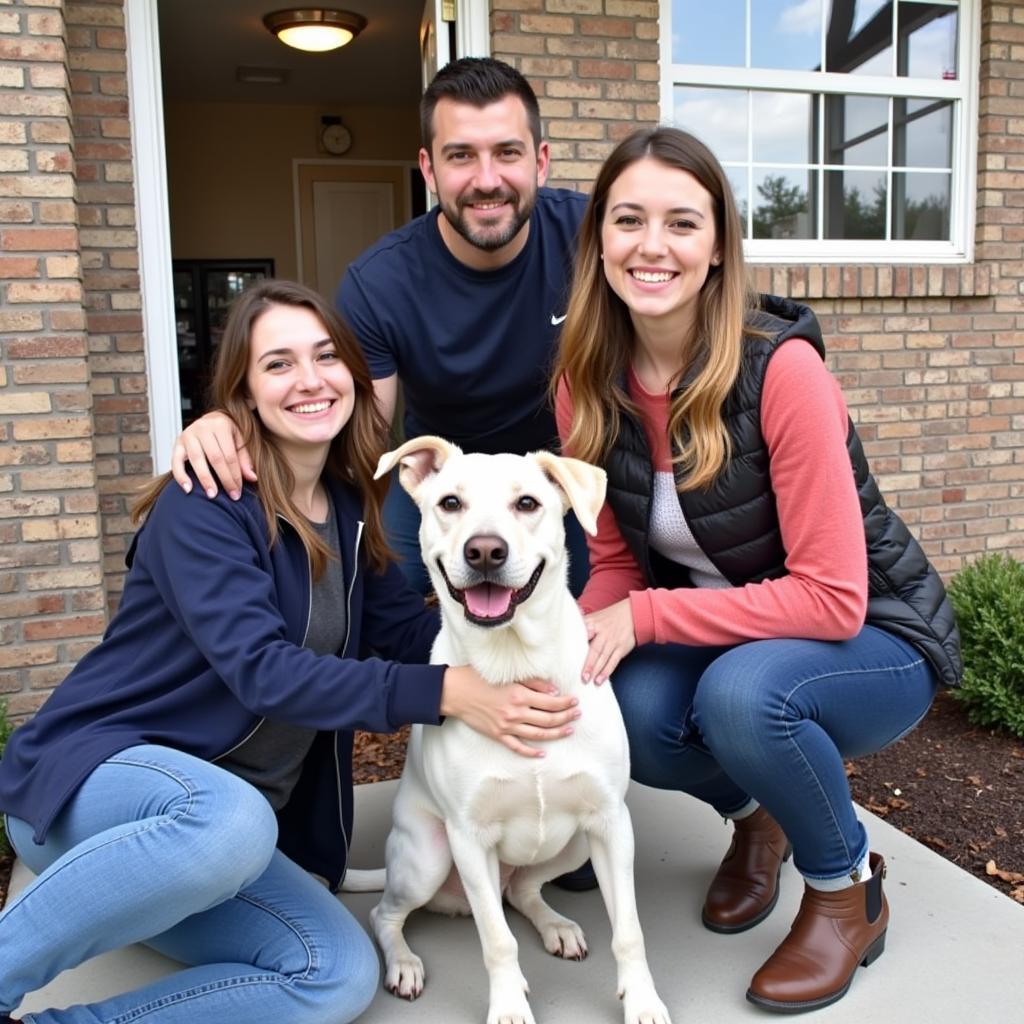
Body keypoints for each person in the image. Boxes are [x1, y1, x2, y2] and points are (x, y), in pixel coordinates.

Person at [0, 280, 580, 1024]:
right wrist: (446, 692)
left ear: (354, 375)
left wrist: (549, 638)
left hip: (225, 836)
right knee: (233, 820)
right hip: (96, 789)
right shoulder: (204, 502)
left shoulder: (346, 509)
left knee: (333, 975)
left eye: (327, 356)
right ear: (241, 390)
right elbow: (262, 671)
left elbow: (411, 634)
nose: (310, 379)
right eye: (277, 364)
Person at [551, 127, 962, 1014]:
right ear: (597, 243)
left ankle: (847, 888)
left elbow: (831, 595)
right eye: (628, 220)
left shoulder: (785, 370)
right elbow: (617, 557)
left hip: (873, 637)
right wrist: (576, 649)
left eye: (681, 223)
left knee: (741, 698)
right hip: (737, 629)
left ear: (716, 250)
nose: (651, 245)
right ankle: (759, 815)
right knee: (627, 705)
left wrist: (647, 621)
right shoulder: (586, 379)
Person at [172, 57, 590, 599]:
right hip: (442, 473)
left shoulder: (593, 237)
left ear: (540, 161)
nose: (487, 180)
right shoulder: (381, 281)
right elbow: (358, 434)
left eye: (506, 153)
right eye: (460, 156)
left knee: (584, 608)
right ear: (429, 168)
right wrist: (233, 424)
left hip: (561, 468)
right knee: (371, 581)